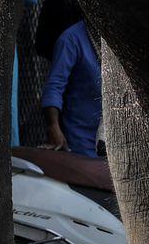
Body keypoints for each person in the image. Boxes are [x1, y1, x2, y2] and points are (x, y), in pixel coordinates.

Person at [42, 17, 103, 157]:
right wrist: (53, 126)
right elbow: (54, 86)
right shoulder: (71, 39)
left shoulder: (120, 38)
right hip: (82, 141)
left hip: (114, 138)